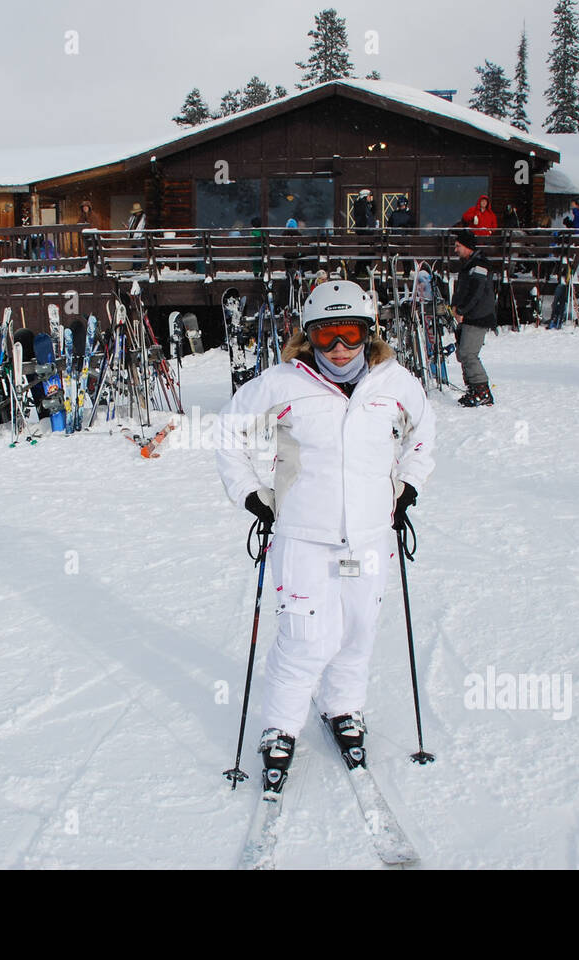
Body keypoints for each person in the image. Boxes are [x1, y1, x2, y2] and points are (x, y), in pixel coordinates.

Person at [215, 278, 435, 797]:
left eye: (350, 333)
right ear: (308, 335)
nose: (339, 348)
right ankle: (281, 728)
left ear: (369, 332)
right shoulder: (281, 383)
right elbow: (227, 432)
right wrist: (251, 494)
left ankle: (344, 710)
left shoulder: (395, 384)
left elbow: (424, 438)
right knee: (304, 637)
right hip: (303, 537)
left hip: (370, 538)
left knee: (358, 631)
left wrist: (407, 489)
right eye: (326, 334)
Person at [450, 229, 498, 406]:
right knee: (463, 353)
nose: (455, 250)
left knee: (468, 353)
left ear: (467, 246)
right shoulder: (469, 264)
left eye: (457, 246)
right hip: (470, 314)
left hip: (478, 316)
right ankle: (473, 387)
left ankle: (482, 391)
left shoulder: (479, 265)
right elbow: (462, 289)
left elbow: (476, 292)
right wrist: (456, 306)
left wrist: (462, 310)